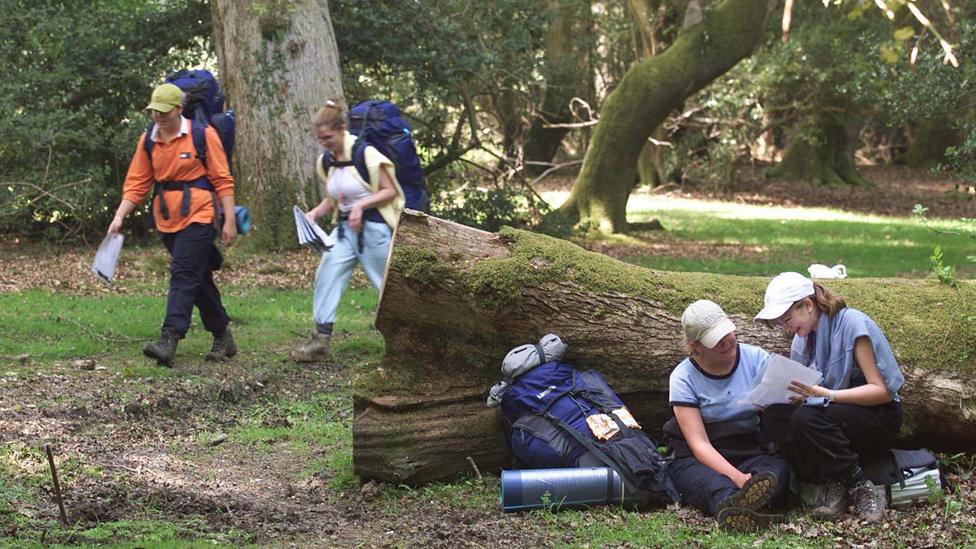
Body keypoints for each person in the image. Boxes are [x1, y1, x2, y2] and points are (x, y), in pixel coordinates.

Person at [754, 272, 904, 523]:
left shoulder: (853, 325)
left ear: (808, 305)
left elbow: (882, 391)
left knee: (806, 418)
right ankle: (832, 481)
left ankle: (860, 486)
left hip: (878, 415)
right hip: (832, 416)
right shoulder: (803, 342)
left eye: (787, 319)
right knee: (776, 417)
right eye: (780, 323)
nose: (786, 327)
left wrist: (827, 395)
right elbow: (808, 394)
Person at [107, 83, 237, 366]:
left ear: (179, 109)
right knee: (197, 277)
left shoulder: (203, 135)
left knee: (182, 274)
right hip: (167, 218)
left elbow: (222, 179)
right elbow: (137, 183)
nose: (158, 116)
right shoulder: (149, 141)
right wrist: (119, 216)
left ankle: (170, 338)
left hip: (200, 214)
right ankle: (222, 334)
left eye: (164, 111)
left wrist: (229, 220)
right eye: (154, 111)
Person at [291, 98, 404, 362]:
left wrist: (361, 206)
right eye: (320, 139)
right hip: (343, 231)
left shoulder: (366, 154)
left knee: (385, 285)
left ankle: (405, 339)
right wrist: (315, 213)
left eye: (328, 137)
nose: (324, 143)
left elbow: (390, 191)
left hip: (374, 230)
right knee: (327, 274)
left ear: (342, 129)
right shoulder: (326, 161)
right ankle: (321, 340)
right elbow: (335, 197)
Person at [665, 300, 790, 532]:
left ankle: (743, 508)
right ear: (696, 346)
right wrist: (738, 478)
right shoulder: (683, 377)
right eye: (715, 341)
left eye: (727, 334)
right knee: (715, 485)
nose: (725, 343)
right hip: (700, 456)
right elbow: (699, 444)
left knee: (776, 471)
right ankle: (735, 507)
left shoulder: (756, 358)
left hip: (749, 447)